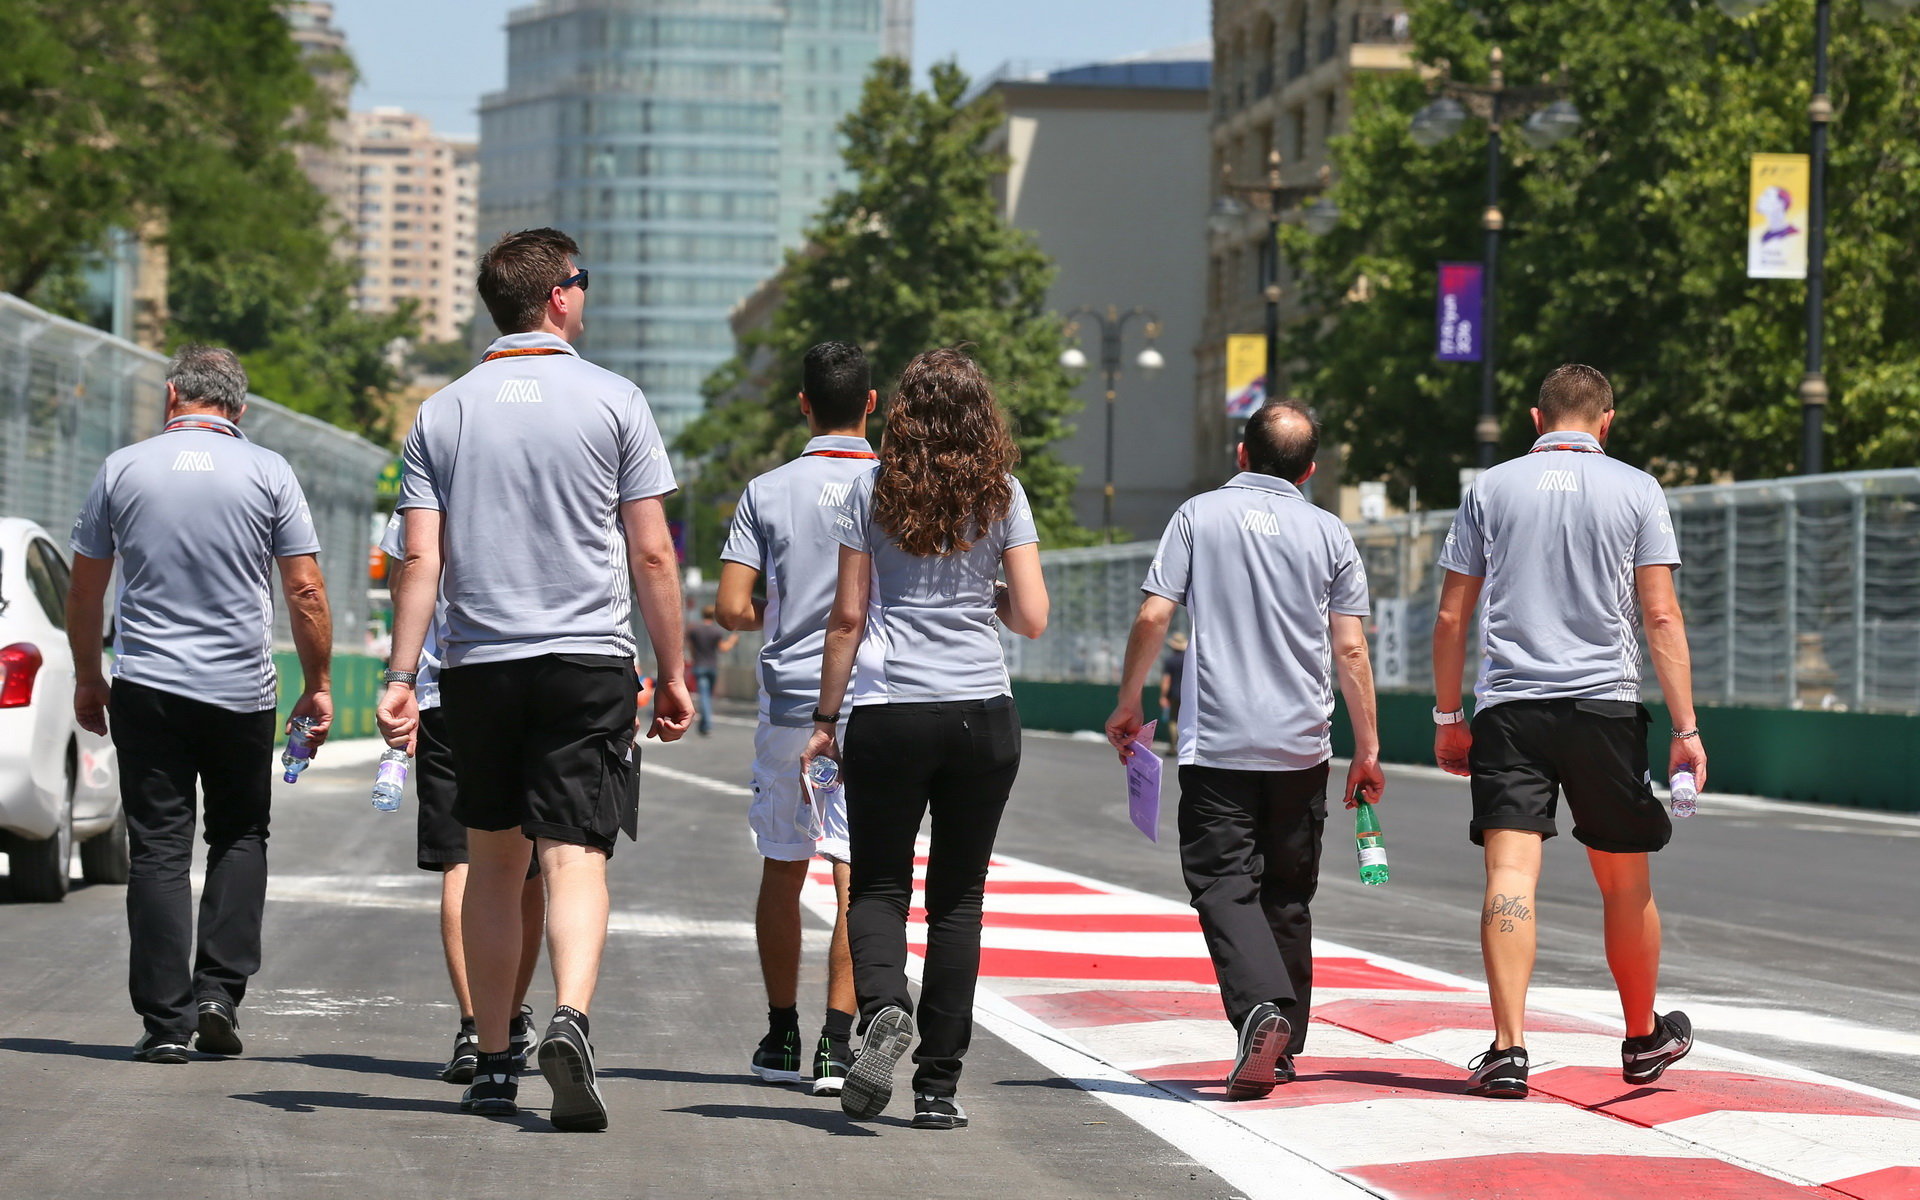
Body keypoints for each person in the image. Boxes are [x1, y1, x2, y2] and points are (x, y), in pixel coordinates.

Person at [376, 227, 694, 1130]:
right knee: (575, 855)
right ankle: (571, 1019)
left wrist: (403, 673)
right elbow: (654, 556)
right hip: (587, 660)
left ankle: (489, 1059)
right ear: (559, 294)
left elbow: (420, 561)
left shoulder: (442, 412)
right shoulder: (615, 401)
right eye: (582, 283)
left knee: (492, 862)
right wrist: (673, 673)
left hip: (478, 667)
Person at [1432, 363, 1705, 1100]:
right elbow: (1661, 617)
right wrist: (1684, 729)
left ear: (1535, 419)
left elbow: (1454, 616)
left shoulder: (1489, 488)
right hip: (1605, 709)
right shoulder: (1637, 489)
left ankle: (1509, 1048)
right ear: (1607, 422)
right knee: (1624, 879)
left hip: (1512, 711)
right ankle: (1642, 1037)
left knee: (1511, 875)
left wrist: (1449, 717)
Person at [1105, 401, 1382, 1101]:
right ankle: (1284, 1044)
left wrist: (1131, 700)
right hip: (1302, 747)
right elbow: (1349, 647)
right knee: (1288, 893)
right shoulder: (1330, 533)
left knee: (1222, 881)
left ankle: (1262, 1011)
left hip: (1221, 742)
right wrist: (1369, 747)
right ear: (1311, 470)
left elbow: (1154, 613)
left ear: (1240, 453)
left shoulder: (1198, 517)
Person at [803, 347, 1049, 1131]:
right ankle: (938, 1088)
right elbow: (1033, 618)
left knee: (877, 884)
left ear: (900, 412)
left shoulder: (867, 489)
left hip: (889, 710)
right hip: (983, 711)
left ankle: (882, 1010)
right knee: (959, 900)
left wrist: (823, 720)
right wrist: (986, 595)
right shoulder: (1002, 493)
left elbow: (846, 617)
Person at [65, 345, 333, 1064]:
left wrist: (90, 677)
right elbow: (304, 591)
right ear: (239, 410)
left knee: (158, 847)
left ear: (171, 395)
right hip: (240, 691)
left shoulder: (122, 468)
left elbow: (86, 591)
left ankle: (165, 1024)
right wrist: (319, 682)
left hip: (147, 686)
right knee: (240, 835)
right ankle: (218, 992)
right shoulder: (269, 471)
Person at [715, 340, 877, 1096]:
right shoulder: (894, 486)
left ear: (804, 404)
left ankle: (782, 1034)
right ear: (872, 404)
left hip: (788, 705)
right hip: (873, 700)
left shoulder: (767, 490)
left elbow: (729, 606)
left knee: (785, 867)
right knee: (856, 878)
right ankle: (836, 1047)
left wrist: (767, 615)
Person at [377, 514, 545, 1085]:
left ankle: (478, 1026)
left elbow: (405, 581)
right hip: (548, 675)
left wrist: (401, 675)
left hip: (447, 682)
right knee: (534, 860)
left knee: (465, 857)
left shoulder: (433, 469)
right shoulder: (556, 461)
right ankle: (511, 1023)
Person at [686, 606, 738, 736]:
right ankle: (706, 724)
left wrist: (694, 659)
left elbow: (691, 648)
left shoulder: (695, 630)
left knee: (703, 695)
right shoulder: (716, 631)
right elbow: (723, 648)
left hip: (699, 665)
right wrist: (732, 640)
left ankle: (705, 724)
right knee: (707, 696)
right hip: (712, 666)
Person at [1158, 631, 1188, 746]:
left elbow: (1166, 680)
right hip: (1189, 694)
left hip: (1175, 694)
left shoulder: (1170, 661)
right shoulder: (1189, 659)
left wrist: (1163, 696)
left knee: (1173, 720)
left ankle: (1173, 746)